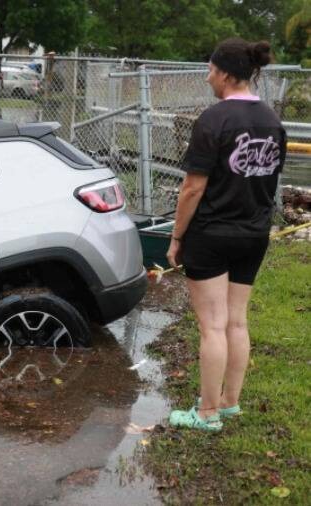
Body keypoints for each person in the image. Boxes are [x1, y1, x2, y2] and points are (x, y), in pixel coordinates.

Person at [166, 38, 286, 432]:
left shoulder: (213, 119)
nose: (207, 76)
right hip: (254, 234)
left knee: (213, 327)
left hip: (213, 234)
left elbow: (192, 188)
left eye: (211, 70)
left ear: (226, 74)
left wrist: (176, 236)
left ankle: (207, 414)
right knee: (236, 322)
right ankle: (229, 402)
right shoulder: (271, 119)